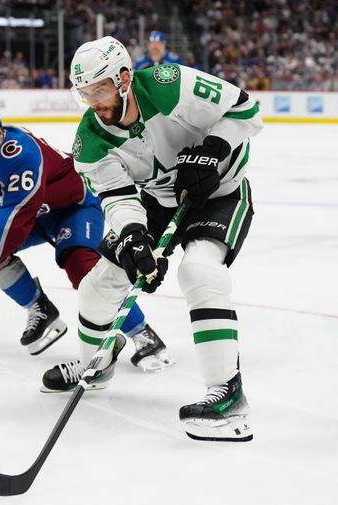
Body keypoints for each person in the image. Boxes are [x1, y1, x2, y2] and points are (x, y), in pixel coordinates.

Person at [44, 36, 262, 442]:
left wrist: (214, 149)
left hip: (221, 191)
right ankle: (95, 365)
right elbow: (119, 196)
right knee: (99, 285)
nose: (93, 102)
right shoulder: (89, 142)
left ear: (124, 78)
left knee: (198, 270)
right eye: (84, 93)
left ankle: (228, 398)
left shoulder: (168, 83)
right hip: (159, 201)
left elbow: (247, 110)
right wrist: (133, 235)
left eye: (100, 89)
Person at [0, 102, 173, 373]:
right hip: (34, 211)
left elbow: (14, 220)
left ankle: (142, 333)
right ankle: (39, 308)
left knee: (80, 266)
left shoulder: (21, 153)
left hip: (74, 207)